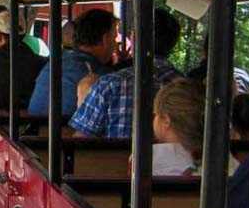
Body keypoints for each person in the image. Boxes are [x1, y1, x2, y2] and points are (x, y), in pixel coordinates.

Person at [70, 8, 183, 138]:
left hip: (112, 158)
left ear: (135, 37)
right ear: (173, 45)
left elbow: (81, 140)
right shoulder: (184, 88)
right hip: (168, 158)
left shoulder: (109, 84)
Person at [26, 10, 119, 118]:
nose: (116, 44)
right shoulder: (98, 75)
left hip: (34, 130)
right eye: (114, 37)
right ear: (105, 39)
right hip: (65, 132)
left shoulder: (58, 62)